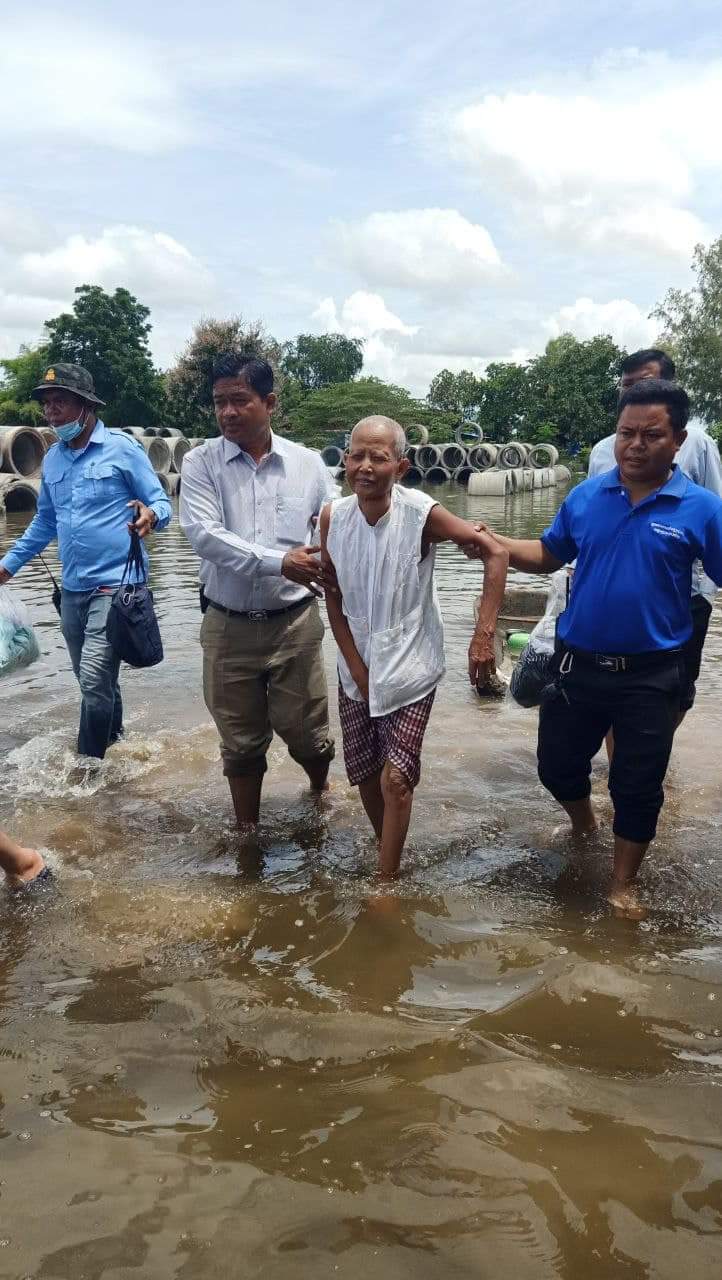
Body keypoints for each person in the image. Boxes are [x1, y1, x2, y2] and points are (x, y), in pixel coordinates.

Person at [477, 380, 722, 914]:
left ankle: (622, 884)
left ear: (679, 440)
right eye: (625, 433)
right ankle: (584, 823)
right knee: (555, 766)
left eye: (651, 435)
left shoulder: (702, 508)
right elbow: (548, 553)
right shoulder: (587, 497)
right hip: (578, 665)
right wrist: (494, 544)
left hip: (653, 673)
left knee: (639, 785)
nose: (635, 445)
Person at [319, 415, 509, 877]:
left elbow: (496, 552)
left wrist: (483, 635)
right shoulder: (332, 516)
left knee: (397, 778)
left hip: (411, 664)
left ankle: (386, 882)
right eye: (357, 456)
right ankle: (388, 849)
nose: (365, 466)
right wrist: (356, 668)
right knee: (365, 774)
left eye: (379, 458)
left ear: (401, 467)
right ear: (345, 461)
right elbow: (333, 596)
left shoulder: (421, 513)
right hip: (354, 664)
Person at [180, 352, 336, 827]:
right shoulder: (201, 462)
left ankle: (320, 793)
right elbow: (205, 535)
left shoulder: (308, 465)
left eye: (239, 400)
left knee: (310, 736)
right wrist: (280, 562)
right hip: (227, 624)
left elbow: (335, 527)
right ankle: (247, 833)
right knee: (240, 744)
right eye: (219, 402)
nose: (227, 412)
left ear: (269, 403)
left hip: (294, 624)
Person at [0, 363, 171, 760]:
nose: (51, 411)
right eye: (46, 403)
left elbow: (161, 501)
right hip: (73, 591)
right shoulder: (54, 459)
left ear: (86, 406)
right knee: (93, 681)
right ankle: (116, 746)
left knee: (94, 679)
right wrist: (7, 566)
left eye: (60, 401)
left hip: (116, 586)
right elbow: (45, 521)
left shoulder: (122, 449)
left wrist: (151, 515)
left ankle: (87, 766)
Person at [589, 348, 722, 720]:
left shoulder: (698, 444)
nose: (635, 444)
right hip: (612, 595)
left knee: (674, 692)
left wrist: (702, 587)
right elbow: (587, 519)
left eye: (643, 382)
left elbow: (713, 513)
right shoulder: (602, 451)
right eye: (626, 384)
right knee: (611, 690)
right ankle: (625, 755)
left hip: (684, 595)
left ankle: (652, 748)